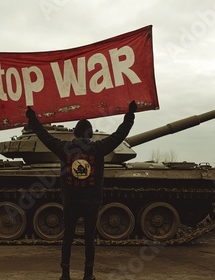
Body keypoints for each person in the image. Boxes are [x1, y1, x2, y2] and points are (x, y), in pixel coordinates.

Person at [26, 101, 137, 280]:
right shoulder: (99, 147)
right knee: (89, 239)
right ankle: (88, 274)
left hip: (70, 201)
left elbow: (44, 135)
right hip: (92, 202)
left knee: (67, 238)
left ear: (75, 134)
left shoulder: (64, 148)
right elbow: (119, 135)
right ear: (91, 134)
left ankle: (65, 274)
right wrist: (130, 116)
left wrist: (32, 118)